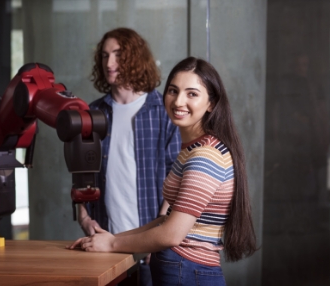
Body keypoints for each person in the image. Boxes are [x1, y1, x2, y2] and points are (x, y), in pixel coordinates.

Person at [69, 57, 258, 286]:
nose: (178, 101)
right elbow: (164, 220)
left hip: (188, 271)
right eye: (173, 90)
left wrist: (111, 245)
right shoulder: (193, 148)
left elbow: (172, 234)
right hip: (182, 268)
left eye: (192, 94)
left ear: (211, 103)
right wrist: (107, 238)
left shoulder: (205, 156)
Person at [77, 27, 181, 285]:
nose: (109, 63)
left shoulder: (163, 113)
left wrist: (153, 238)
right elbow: (80, 175)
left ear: (135, 58)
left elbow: (176, 180)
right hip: (104, 246)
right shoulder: (93, 113)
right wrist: (84, 218)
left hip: (151, 251)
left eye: (117, 54)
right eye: (104, 55)